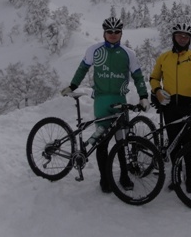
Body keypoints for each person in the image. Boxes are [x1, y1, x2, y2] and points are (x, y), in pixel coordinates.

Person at [61, 17, 150, 193]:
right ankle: (104, 178)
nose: (113, 35)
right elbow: (82, 69)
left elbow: (138, 76)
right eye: (110, 32)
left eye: (117, 32)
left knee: (122, 140)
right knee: (101, 142)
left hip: (120, 100)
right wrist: (72, 86)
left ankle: (124, 176)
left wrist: (143, 96)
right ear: (104, 33)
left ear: (121, 34)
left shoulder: (128, 53)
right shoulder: (94, 50)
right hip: (101, 101)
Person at [149, 22, 191, 193]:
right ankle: (175, 176)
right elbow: (154, 78)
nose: (183, 38)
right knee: (173, 143)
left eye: (186, 36)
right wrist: (157, 90)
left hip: (189, 107)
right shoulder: (164, 57)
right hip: (170, 106)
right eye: (180, 35)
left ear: (189, 39)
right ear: (174, 37)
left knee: (188, 144)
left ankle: (189, 178)